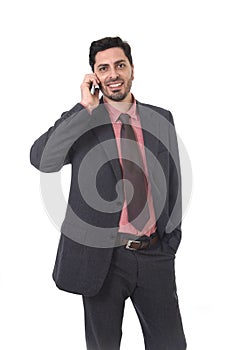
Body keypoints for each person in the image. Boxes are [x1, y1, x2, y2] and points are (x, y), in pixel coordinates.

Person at [30, 36, 187, 350]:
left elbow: (172, 181)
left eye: (120, 65)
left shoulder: (161, 118)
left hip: (155, 253)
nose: (113, 73)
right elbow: (42, 159)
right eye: (104, 68)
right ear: (95, 77)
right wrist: (83, 109)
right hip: (103, 258)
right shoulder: (83, 121)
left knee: (171, 344)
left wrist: (171, 239)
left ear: (132, 70)